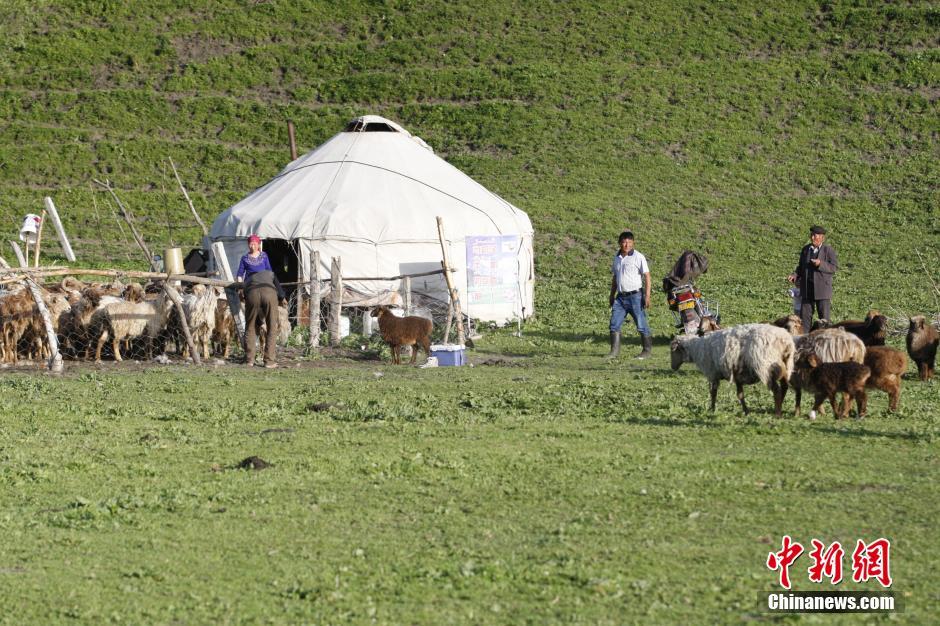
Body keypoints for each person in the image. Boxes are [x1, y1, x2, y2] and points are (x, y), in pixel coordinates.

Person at [237, 235, 286, 368]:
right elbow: (240, 274)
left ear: (258, 245)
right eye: (250, 244)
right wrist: (281, 295)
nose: (252, 246)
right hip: (267, 291)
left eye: (254, 244)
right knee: (271, 325)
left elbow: (269, 271)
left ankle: (250, 360)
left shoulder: (264, 256)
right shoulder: (245, 258)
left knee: (251, 325)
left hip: (253, 291)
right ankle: (268, 361)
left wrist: (242, 290)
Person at [607, 230, 653, 359]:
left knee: (641, 324)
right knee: (614, 324)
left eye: (629, 242)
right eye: (624, 242)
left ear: (633, 243)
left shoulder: (638, 257)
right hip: (620, 298)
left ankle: (647, 351)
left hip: (635, 297)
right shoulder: (616, 258)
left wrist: (647, 296)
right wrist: (612, 295)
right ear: (619, 243)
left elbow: (647, 277)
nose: (626, 245)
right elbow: (615, 277)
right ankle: (614, 352)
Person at [788, 225, 838, 332]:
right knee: (804, 319)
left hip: (822, 291)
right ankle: (805, 339)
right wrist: (795, 275)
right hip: (807, 289)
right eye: (812, 235)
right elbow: (801, 267)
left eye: (816, 236)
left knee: (824, 320)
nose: (813, 238)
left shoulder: (828, 250)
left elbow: (833, 267)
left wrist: (820, 264)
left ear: (822, 238)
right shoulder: (805, 249)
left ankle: (825, 340)